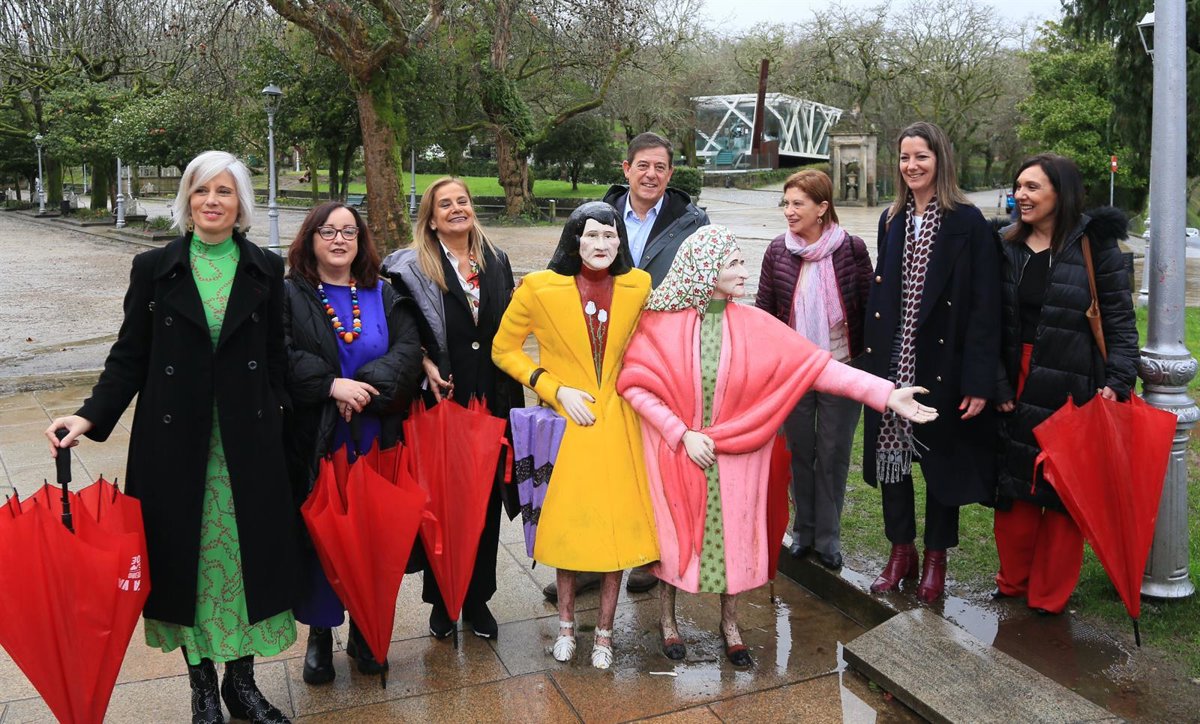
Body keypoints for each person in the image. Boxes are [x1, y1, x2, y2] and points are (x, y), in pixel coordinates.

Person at [45, 150, 295, 724]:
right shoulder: (154, 268)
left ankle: (241, 685)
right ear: (186, 200)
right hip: (177, 445)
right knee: (186, 565)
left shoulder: (265, 267)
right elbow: (130, 356)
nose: (212, 201)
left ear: (241, 203)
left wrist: (282, 412)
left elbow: (275, 357)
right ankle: (202, 688)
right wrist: (88, 416)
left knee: (244, 563)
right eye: (201, 190)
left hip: (247, 446)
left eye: (224, 191)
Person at [618, 225, 936, 666]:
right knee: (676, 534)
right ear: (705, 269)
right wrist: (681, 433)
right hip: (678, 452)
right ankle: (668, 619)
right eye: (733, 263)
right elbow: (634, 385)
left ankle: (730, 624)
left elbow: (818, 368)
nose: (744, 272)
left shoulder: (755, 326)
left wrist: (885, 394)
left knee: (732, 537)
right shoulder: (660, 325)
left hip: (737, 453)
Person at [540, 132, 709, 602]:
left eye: (661, 167)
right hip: (598, 357)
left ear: (670, 173)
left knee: (651, 462)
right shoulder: (601, 214)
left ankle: (647, 555)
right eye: (643, 166)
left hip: (659, 358)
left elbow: (704, 285)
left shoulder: (692, 221)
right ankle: (588, 562)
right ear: (626, 168)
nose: (651, 174)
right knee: (595, 468)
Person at [491, 201, 659, 669]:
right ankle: (566, 626)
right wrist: (553, 388)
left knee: (616, 533)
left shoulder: (639, 285)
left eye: (610, 235)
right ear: (574, 239)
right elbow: (503, 349)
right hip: (568, 428)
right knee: (567, 530)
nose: (601, 244)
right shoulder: (539, 289)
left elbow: (654, 344)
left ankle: (604, 633)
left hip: (621, 426)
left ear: (620, 241)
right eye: (592, 235)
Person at [282, 202, 423, 683]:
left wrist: (361, 388)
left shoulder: (385, 292)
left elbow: (408, 352)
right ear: (311, 239)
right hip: (319, 437)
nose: (339, 240)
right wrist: (330, 386)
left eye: (349, 232)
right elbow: (281, 355)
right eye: (328, 231)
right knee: (323, 535)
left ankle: (367, 625)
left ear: (361, 241)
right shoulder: (290, 295)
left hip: (375, 432)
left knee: (372, 535)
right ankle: (321, 632)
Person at [860, 121, 1001, 603]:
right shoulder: (892, 219)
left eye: (921, 156)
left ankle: (936, 557)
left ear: (941, 160)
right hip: (892, 361)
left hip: (942, 362)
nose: (912, 165)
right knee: (892, 460)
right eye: (904, 157)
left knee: (941, 464)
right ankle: (901, 551)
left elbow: (985, 307)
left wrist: (979, 380)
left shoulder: (968, 222)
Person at [993, 154, 1137, 614]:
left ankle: (1048, 596)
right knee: (1014, 490)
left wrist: (1119, 379)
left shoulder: (1096, 246)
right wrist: (996, 382)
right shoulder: (1006, 244)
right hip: (1017, 378)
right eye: (1018, 186)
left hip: (1074, 383)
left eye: (1032, 187)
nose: (1021, 195)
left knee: (1062, 494)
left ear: (1062, 192)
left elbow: (1119, 319)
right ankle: (1012, 581)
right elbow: (989, 322)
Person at [381, 177, 523, 641]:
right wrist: (424, 360)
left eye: (462, 201)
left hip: (492, 400)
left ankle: (478, 599)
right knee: (441, 504)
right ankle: (443, 599)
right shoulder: (411, 268)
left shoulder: (496, 260)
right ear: (431, 218)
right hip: (443, 401)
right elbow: (399, 330)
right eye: (445, 204)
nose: (457, 208)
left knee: (484, 504)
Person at [755, 170, 873, 570]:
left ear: (822, 208)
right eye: (785, 203)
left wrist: (867, 365)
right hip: (794, 372)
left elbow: (866, 306)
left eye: (797, 204)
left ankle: (828, 538)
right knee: (799, 453)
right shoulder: (777, 251)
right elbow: (765, 313)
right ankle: (803, 532)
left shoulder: (851, 249)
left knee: (833, 454)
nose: (789, 211)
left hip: (841, 367)